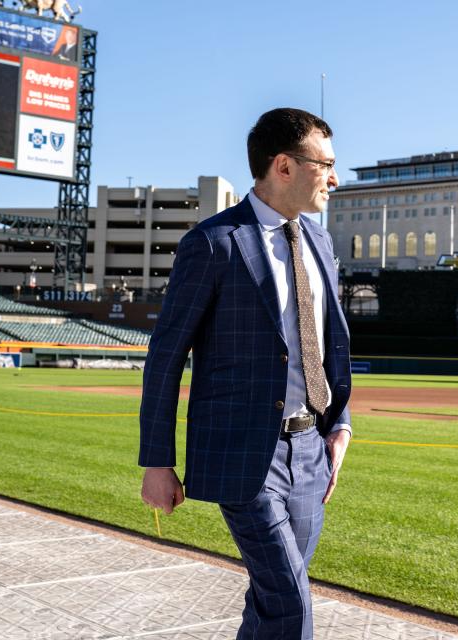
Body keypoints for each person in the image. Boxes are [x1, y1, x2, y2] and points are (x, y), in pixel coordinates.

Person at [139, 108, 352, 640]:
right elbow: (166, 356)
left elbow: (330, 343)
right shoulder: (213, 243)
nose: (334, 177)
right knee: (290, 603)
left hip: (311, 454)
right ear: (283, 165)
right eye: (324, 163)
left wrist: (339, 423)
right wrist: (157, 462)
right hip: (242, 455)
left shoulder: (321, 244)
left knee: (270, 600)